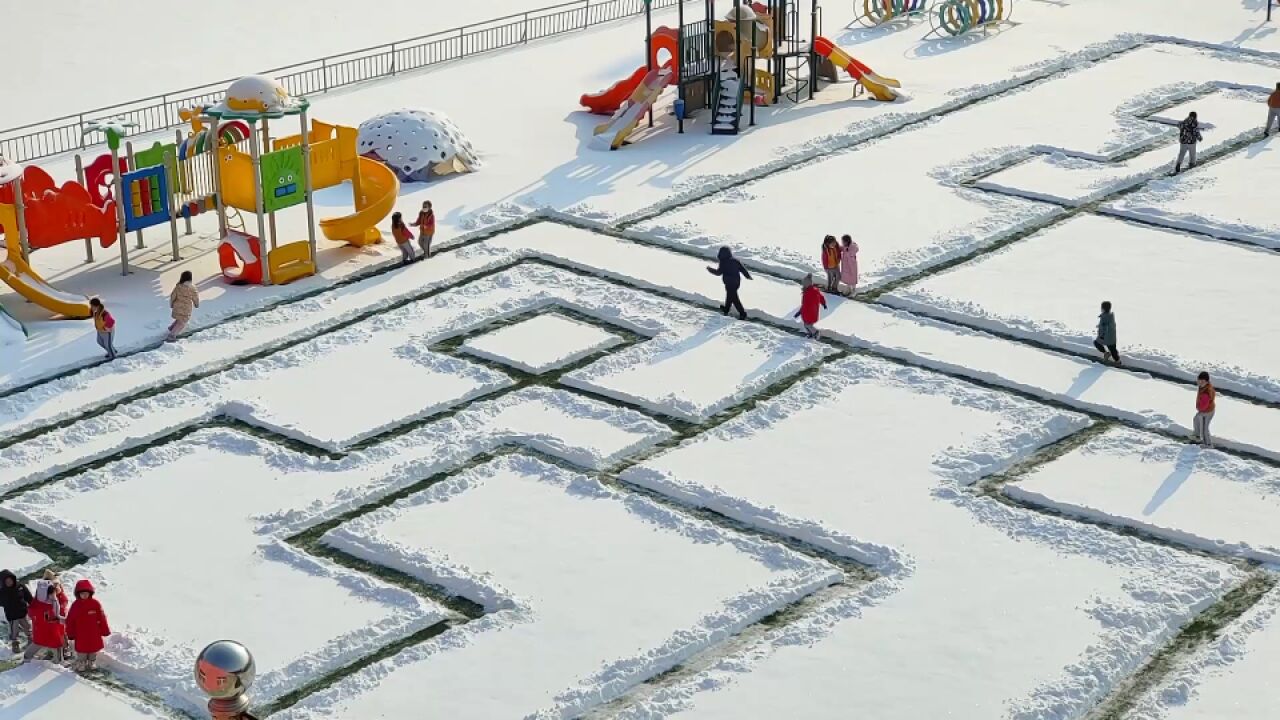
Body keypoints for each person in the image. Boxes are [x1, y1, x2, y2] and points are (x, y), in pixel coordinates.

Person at [65, 579, 110, 672]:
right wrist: (70, 633)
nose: (84, 595)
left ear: (90, 593)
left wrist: (105, 630)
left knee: (93, 649)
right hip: (80, 633)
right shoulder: (75, 605)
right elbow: (70, 620)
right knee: (82, 650)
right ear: (78, 594)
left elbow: (102, 618)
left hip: (94, 632)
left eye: (86, 593)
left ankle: (91, 661)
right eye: (82, 593)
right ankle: (81, 662)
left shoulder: (95, 604)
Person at [24, 573, 68, 664]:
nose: (53, 596)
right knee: (54, 647)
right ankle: (58, 662)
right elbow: (54, 618)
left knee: (40, 644)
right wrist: (66, 621)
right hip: (48, 633)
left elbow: (55, 616)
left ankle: (27, 657)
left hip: (45, 633)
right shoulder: (44, 607)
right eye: (51, 594)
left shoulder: (38, 603)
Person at [707, 246, 752, 320]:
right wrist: (748, 276)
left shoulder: (723, 262)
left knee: (734, 299)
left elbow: (718, 273)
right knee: (730, 296)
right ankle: (726, 309)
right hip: (737, 282)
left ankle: (742, 313)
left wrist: (710, 269)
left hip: (729, 283)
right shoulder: (735, 260)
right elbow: (742, 269)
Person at [1, 570, 32, 654]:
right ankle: (15, 644)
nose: (9, 582)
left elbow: (28, 597)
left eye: (10, 580)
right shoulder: (2, 591)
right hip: (12, 615)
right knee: (14, 631)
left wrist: (33, 605)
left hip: (22, 612)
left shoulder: (20, 586)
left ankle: (31, 640)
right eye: (6, 581)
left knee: (27, 626)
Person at [166, 271, 200, 342]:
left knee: (179, 318)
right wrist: (196, 304)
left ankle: (172, 328)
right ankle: (172, 335)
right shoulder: (192, 288)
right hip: (186, 308)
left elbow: (173, 296)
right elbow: (195, 297)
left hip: (177, 306)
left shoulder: (178, 286)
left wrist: (171, 304)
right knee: (183, 322)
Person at [794, 274, 827, 338]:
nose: (803, 285)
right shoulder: (815, 290)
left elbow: (805, 305)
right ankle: (811, 333)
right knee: (808, 325)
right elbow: (821, 297)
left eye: (804, 284)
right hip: (814, 312)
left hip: (808, 313)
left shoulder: (807, 294)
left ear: (807, 285)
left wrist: (799, 312)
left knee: (808, 325)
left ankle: (816, 333)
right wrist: (824, 304)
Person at [1093, 301, 1121, 365]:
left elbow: (1105, 327)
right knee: (1112, 349)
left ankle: (1116, 360)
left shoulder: (1105, 317)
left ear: (1103, 309)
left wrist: (1101, 334)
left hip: (1107, 337)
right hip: (1111, 337)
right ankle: (1116, 359)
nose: (1101, 309)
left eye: (1101, 307)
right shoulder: (1110, 315)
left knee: (1097, 343)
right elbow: (1108, 325)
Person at [1193, 371, 1216, 449]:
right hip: (1205, 410)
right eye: (1199, 381)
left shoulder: (1207, 392)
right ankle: (1197, 436)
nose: (1200, 383)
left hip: (1207, 412)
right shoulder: (1203, 387)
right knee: (1196, 419)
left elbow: (1204, 406)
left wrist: (1199, 408)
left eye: (1202, 381)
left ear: (1206, 381)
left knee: (1204, 429)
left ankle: (1208, 444)